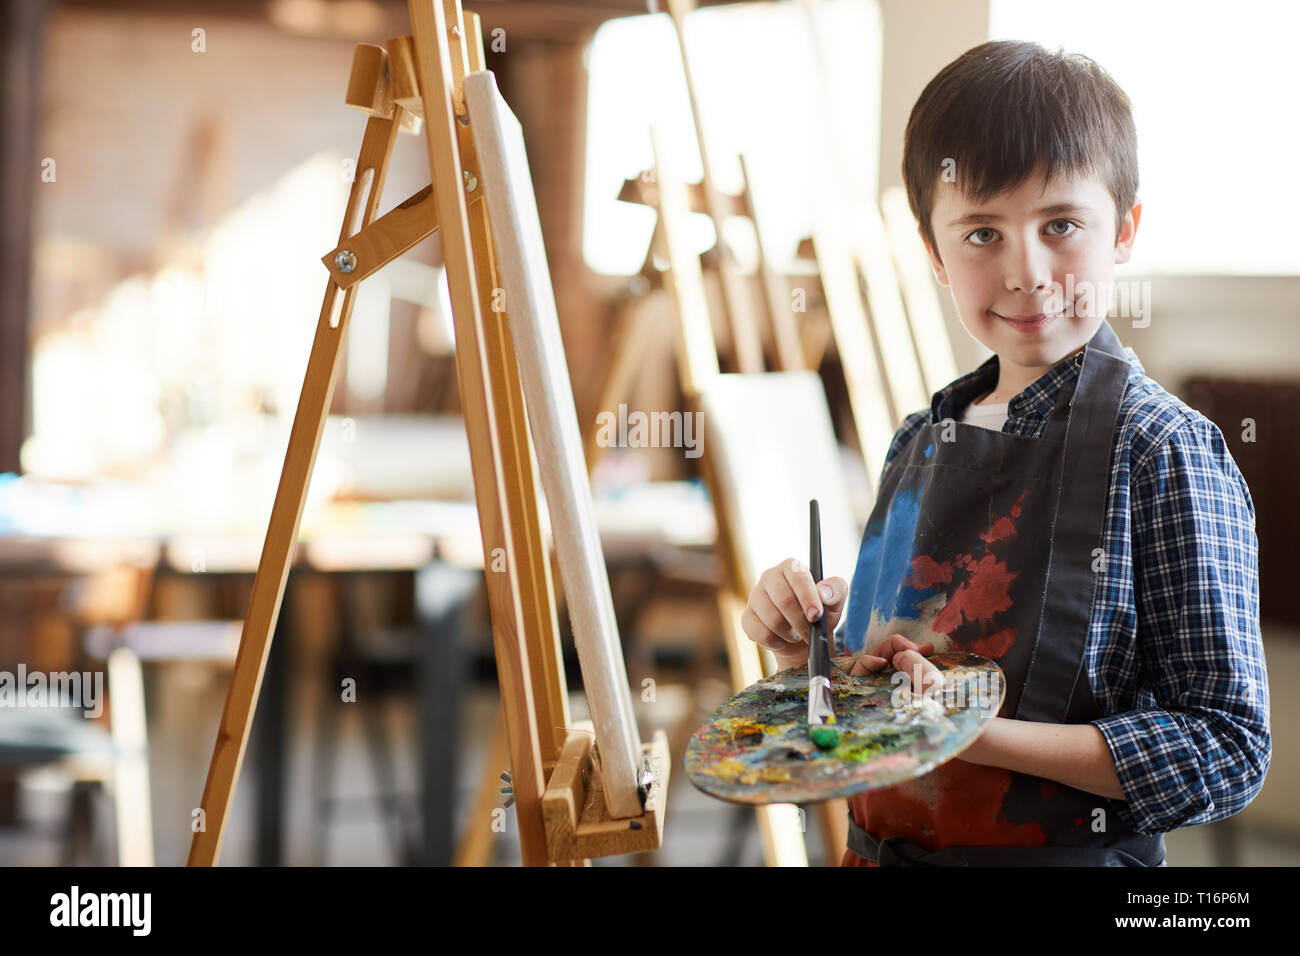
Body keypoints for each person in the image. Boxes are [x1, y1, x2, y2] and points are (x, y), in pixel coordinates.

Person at [741, 39, 1270, 866]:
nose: (1026, 271)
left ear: (1124, 230)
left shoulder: (1165, 452)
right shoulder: (918, 441)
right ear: (933, 253)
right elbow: (883, 703)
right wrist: (805, 654)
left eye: (1061, 225)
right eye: (982, 232)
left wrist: (985, 738)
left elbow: (1228, 749)